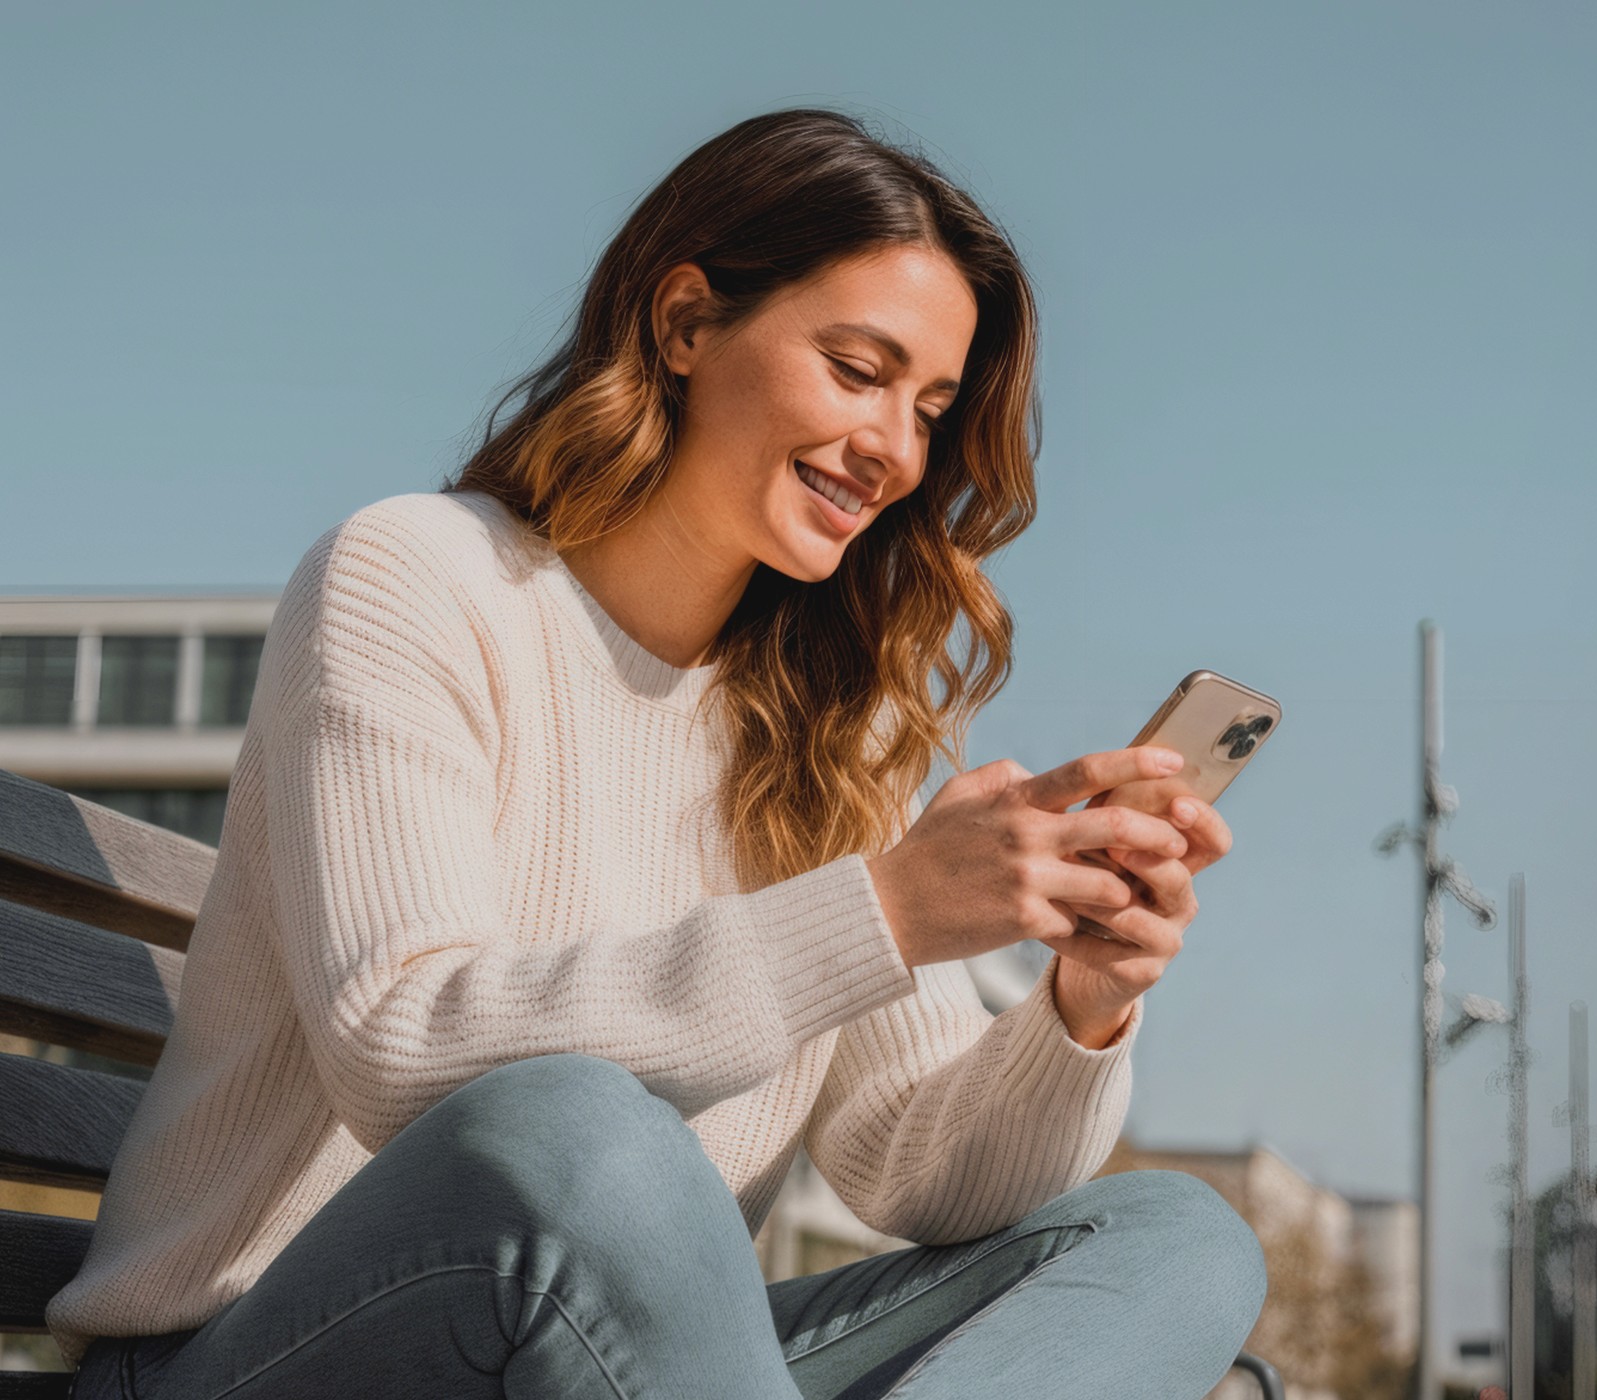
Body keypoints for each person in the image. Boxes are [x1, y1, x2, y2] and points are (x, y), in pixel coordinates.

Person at [49, 107, 1267, 1399]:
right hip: (258, 1353)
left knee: (1176, 1239)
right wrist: (890, 906)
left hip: (607, 1363)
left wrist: (1080, 1007)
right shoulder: (419, 577)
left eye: (930, 407)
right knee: (576, 1124)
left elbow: (911, 1166)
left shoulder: (829, 720)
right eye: (859, 370)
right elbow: (403, 1048)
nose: (897, 451)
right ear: (686, 324)